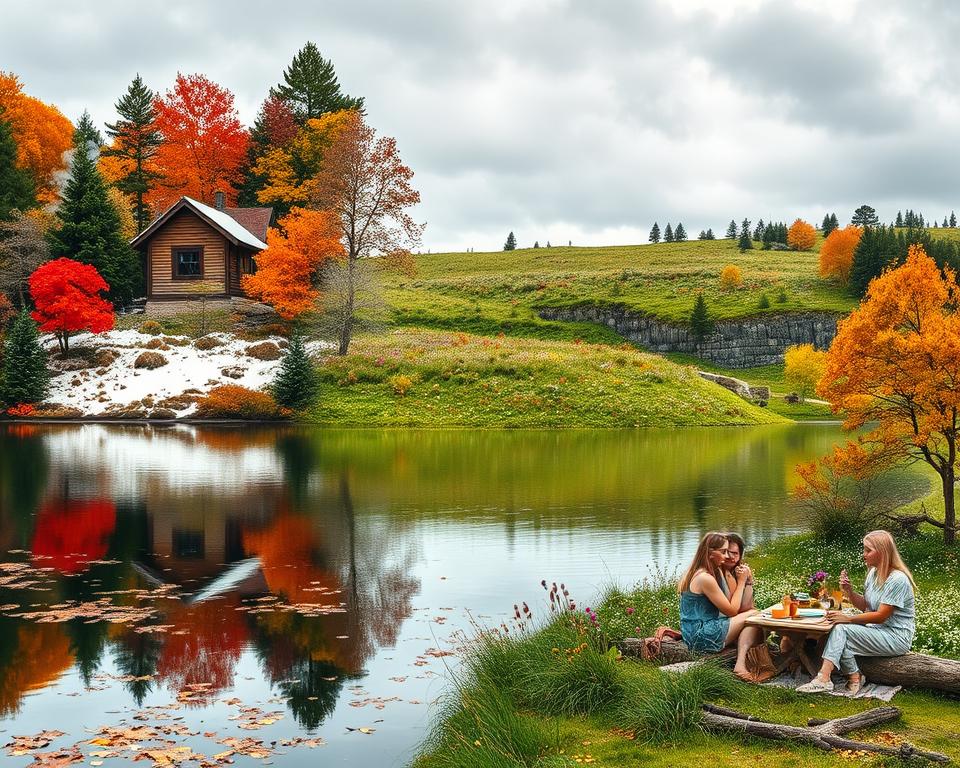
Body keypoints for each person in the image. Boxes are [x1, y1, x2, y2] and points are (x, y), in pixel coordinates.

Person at [797, 530, 916, 695]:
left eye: (868, 550)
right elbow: (867, 607)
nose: (864, 554)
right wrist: (849, 592)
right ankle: (854, 677)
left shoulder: (897, 580)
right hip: (876, 631)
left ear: (882, 552)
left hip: (896, 636)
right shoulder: (873, 574)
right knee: (839, 633)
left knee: (842, 629)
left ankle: (823, 678)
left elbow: (881, 616)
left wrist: (848, 619)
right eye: (864, 549)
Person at [679, 531, 762, 680]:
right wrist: (742, 582)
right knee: (755, 614)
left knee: (752, 614)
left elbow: (738, 607)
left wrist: (746, 580)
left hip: (694, 632)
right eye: (723, 552)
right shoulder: (705, 578)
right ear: (710, 553)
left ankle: (743, 661)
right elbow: (732, 611)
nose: (726, 557)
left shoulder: (704, 572)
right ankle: (740, 665)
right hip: (700, 636)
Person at [722, 532, 755, 612]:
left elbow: (748, 606)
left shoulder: (738, 571)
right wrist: (742, 582)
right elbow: (739, 609)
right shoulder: (720, 573)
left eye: (735, 553)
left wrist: (749, 580)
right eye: (727, 552)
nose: (731, 557)